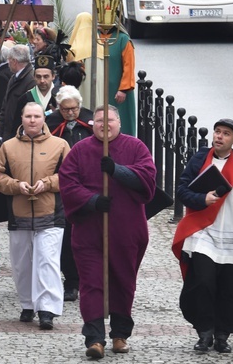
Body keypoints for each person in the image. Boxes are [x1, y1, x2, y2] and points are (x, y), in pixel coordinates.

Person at [58, 105, 156, 359]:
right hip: (89, 232)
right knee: (92, 283)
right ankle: (95, 337)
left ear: (119, 123)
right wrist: (91, 201)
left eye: (109, 120)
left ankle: (119, 334)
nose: (104, 125)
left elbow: (147, 180)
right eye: (99, 120)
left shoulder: (136, 148)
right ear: (93, 124)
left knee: (123, 281)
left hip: (126, 231)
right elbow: (67, 183)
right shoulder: (80, 150)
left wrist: (117, 170)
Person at [172, 119, 233, 354]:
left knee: (231, 288)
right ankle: (205, 333)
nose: (220, 136)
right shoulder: (200, 159)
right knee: (202, 283)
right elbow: (182, 189)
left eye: (226, 133)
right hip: (203, 232)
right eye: (217, 132)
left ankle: (222, 335)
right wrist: (201, 200)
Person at [0, 102, 71, 330]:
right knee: (22, 263)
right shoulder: (8, 147)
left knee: (47, 261)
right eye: (28, 116)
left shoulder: (60, 145)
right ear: (21, 118)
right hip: (19, 214)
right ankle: (28, 303)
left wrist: (47, 183)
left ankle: (47, 309)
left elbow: (69, 174)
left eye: (36, 116)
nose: (32, 120)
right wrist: (16, 186)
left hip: (51, 213)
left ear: (43, 118)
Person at [45, 86, 95, 302]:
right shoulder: (52, 125)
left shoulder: (91, 122)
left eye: (74, 109)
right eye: (66, 110)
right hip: (64, 190)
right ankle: (71, 281)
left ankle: (91, 280)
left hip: (90, 188)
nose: (71, 114)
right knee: (66, 238)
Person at [100, 24, 137, 136]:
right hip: (98, 88)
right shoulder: (94, 37)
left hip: (117, 91)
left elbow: (129, 66)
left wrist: (123, 89)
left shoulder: (122, 39)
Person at [10, 54, 58, 137]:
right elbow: (17, 127)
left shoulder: (60, 98)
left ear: (53, 76)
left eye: (46, 76)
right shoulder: (25, 99)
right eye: (38, 77)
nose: (42, 80)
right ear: (34, 77)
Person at [0, 44, 35, 141]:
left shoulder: (31, 81)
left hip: (19, 136)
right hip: (8, 135)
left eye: (9, 59)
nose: (8, 63)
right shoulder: (13, 78)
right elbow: (5, 108)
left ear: (14, 61)